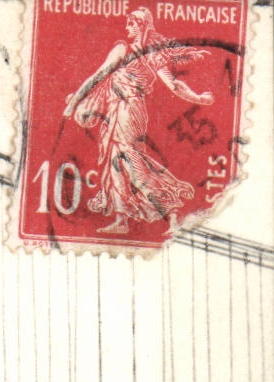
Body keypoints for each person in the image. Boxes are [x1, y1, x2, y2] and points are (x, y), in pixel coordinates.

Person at [62, 8, 213, 235]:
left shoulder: (152, 55)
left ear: (142, 26)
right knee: (115, 163)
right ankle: (121, 219)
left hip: (129, 110)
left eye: (132, 24)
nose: (127, 28)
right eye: (127, 24)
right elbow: (99, 75)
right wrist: (74, 101)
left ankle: (170, 210)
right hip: (116, 110)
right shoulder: (122, 49)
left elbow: (174, 85)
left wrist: (198, 98)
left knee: (131, 162)